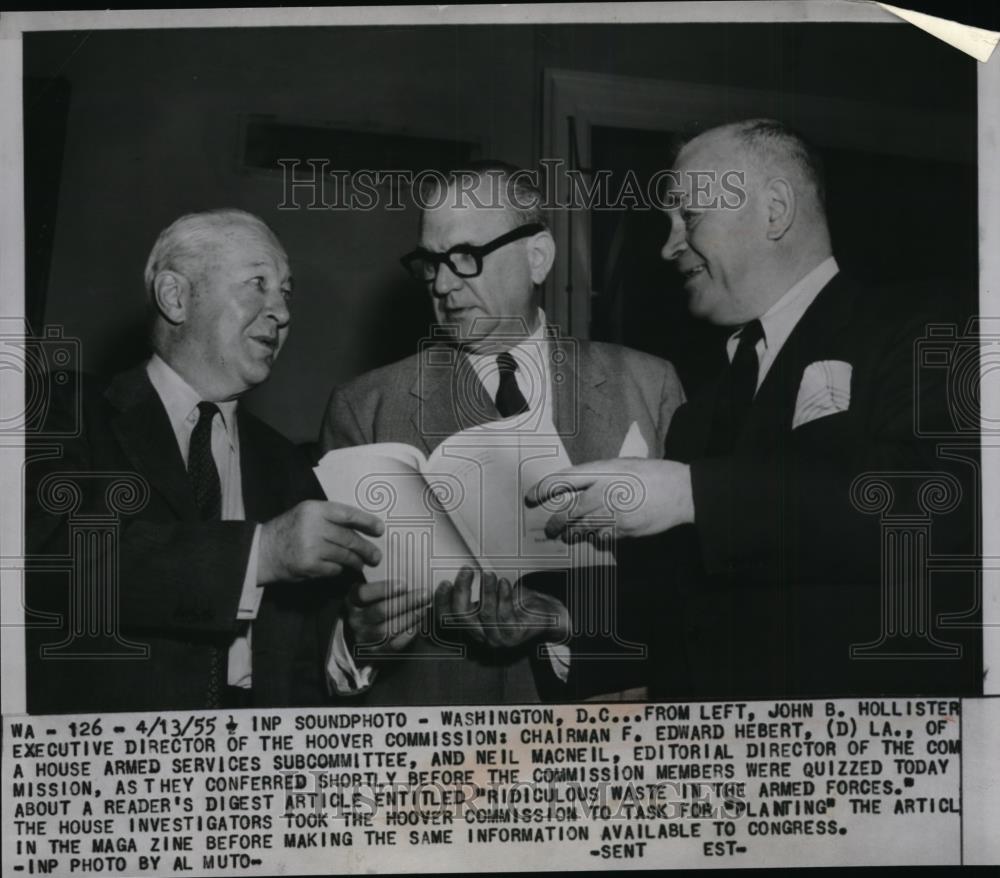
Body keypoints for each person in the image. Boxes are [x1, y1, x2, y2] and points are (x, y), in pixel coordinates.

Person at [529, 120, 981, 699]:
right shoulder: (699, 413)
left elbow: (940, 506)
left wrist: (692, 495)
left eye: (688, 217)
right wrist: (556, 619)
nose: (668, 246)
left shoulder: (931, 326)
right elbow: (690, 611)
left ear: (774, 211)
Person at [320, 162, 685, 704]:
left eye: (466, 257)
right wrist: (357, 639)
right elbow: (324, 625)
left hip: (603, 744)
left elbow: (686, 601)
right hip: (440, 759)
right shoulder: (364, 408)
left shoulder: (648, 385)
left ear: (537, 258)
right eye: (430, 263)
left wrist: (564, 622)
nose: (443, 285)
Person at [25, 209, 384, 713]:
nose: (281, 311)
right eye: (257, 283)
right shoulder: (60, 411)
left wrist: (356, 640)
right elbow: (45, 556)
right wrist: (257, 555)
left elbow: (301, 654)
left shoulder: (289, 466)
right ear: (176, 297)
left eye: (286, 290)